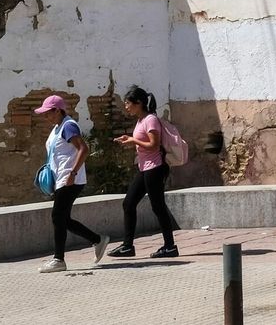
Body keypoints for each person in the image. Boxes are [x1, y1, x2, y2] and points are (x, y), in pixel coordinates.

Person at [36, 94, 108, 273]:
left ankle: (59, 259)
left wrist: (72, 173)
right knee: (63, 219)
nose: (46, 116)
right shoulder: (58, 127)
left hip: (69, 180)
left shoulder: (68, 126)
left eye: (48, 113)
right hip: (62, 179)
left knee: (57, 216)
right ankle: (97, 240)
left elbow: (83, 149)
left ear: (58, 110)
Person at [106, 85, 178, 258]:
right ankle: (127, 246)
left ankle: (170, 246)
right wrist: (130, 139)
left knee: (158, 207)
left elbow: (154, 145)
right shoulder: (141, 120)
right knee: (129, 203)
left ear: (138, 103)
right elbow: (143, 141)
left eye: (128, 103)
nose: (126, 107)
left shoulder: (150, 120)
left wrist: (133, 141)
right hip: (144, 168)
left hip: (155, 168)